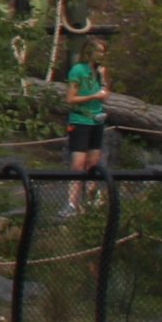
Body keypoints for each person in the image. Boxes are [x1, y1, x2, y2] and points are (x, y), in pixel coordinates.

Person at [65, 38, 110, 213]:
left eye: (103, 52)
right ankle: (71, 203)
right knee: (78, 163)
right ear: (90, 52)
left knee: (93, 162)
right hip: (80, 120)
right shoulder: (78, 70)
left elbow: (105, 94)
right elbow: (70, 98)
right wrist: (93, 97)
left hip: (96, 120)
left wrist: (104, 78)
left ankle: (90, 199)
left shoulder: (99, 71)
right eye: (99, 51)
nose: (102, 55)